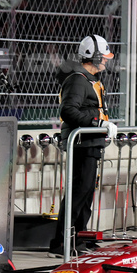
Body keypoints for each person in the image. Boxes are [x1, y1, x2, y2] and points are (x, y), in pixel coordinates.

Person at [50, 34, 117, 256]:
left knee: (86, 192)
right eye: (104, 57)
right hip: (81, 143)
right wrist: (97, 122)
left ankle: (79, 238)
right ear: (94, 56)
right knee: (78, 192)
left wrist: (100, 126)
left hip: (91, 141)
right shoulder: (78, 79)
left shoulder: (90, 79)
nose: (107, 61)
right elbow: (68, 110)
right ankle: (62, 243)